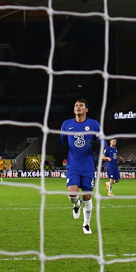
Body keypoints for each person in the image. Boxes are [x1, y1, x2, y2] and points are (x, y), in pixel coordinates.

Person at [60, 98, 102, 235]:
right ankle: (76, 205)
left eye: (81, 105)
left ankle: (86, 224)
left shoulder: (94, 124)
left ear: (86, 109)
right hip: (73, 165)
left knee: (87, 197)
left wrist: (99, 145)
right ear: (74, 109)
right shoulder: (66, 124)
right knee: (72, 194)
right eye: (76, 105)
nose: (78, 107)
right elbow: (62, 141)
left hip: (88, 166)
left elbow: (102, 141)